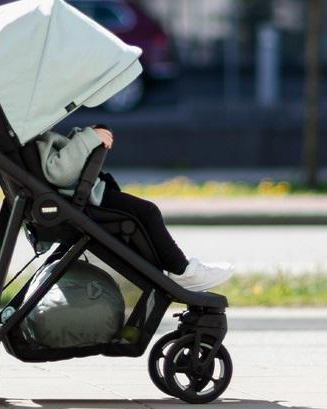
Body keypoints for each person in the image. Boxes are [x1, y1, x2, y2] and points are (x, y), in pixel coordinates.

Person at [35, 124, 233, 292]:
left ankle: (173, 266)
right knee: (147, 213)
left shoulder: (30, 137)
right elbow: (59, 172)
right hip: (85, 200)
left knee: (144, 216)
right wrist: (88, 138)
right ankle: (181, 271)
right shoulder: (33, 138)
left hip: (83, 196)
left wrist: (86, 135)